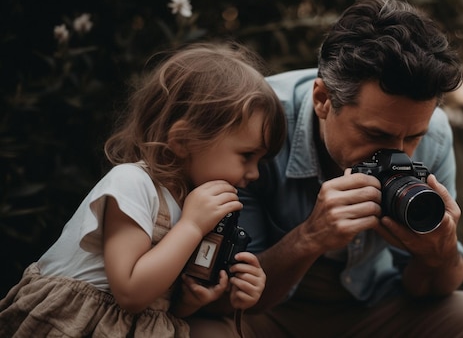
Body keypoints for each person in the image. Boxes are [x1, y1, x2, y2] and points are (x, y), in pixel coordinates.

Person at [187, 0, 463, 338]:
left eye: (412, 137)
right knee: (201, 332)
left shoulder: (435, 134)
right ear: (323, 99)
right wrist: (310, 237)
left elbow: (429, 290)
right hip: (270, 314)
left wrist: (439, 254)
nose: (396, 153)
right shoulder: (256, 124)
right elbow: (228, 295)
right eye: (375, 133)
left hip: (377, 308)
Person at [0, 42, 287, 337]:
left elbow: (155, 307)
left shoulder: (191, 206)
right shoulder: (132, 184)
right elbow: (130, 292)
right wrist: (190, 227)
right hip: (70, 325)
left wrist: (190, 300)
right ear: (184, 140)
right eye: (247, 156)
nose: (254, 174)